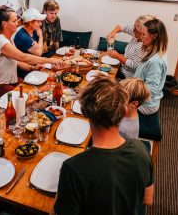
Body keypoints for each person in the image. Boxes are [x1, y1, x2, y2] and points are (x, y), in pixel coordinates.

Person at [53, 76, 154, 215]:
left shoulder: (73, 169)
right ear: (124, 112)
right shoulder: (142, 150)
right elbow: (148, 199)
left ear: (84, 111)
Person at [0, 5, 65, 97]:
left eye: (17, 20)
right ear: (4, 23)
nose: (17, 23)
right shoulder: (0, 40)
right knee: (34, 95)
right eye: (14, 21)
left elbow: (17, 61)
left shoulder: (9, 39)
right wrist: (52, 60)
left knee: (43, 89)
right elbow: (24, 57)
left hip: (12, 80)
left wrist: (32, 68)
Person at [134, 18, 168, 115]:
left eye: (144, 34)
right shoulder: (153, 51)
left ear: (154, 36)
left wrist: (129, 97)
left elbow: (150, 92)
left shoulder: (156, 61)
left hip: (145, 105)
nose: (141, 37)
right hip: (140, 97)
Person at [13, 8, 46, 78]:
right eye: (38, 22)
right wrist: (41, 37)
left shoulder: (33, 30)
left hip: (35, 64)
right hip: (26, 70)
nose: (40, 24)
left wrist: (40, 46)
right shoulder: (23, 36)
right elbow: (39, 53)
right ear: (30, 22)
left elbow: (44, 48)